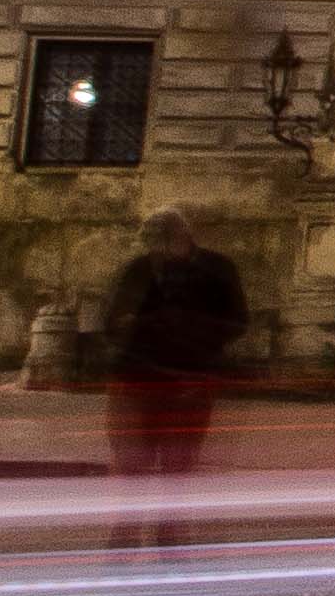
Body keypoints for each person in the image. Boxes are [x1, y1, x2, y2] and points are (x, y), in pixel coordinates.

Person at [104, 207, 248, 543]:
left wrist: (190, 332)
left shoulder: (217, 270)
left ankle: (168, 531)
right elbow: (113, 322)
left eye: (164, 243)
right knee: (132, 464)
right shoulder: (139, 270)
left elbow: (237, 320)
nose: (159, 252)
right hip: (139, 380)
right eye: (153, 245)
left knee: (177, 463)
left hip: (188, 381)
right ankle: (128, 532)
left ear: (183, 237)